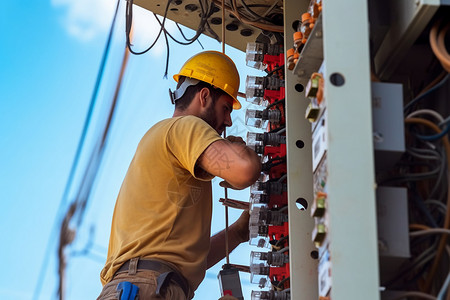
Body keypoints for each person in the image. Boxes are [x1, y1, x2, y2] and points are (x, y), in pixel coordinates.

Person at [97, 51, 262, 300]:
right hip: (146, 286)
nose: (228, 121)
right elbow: (244, 170)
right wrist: (238, 149)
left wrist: (238, 232)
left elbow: (189, 261)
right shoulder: (184, 128)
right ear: (204, 96)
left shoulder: (168, 140)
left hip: (144, 285)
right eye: (226, 108)